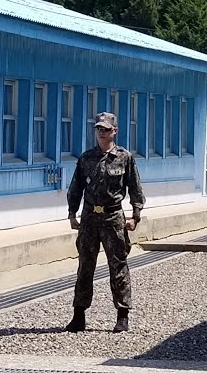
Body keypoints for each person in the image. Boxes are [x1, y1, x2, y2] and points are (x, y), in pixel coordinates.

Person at [64, 112, 145, 333]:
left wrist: (135, 215)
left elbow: (135, 188)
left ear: (114, 131)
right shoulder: (86, 158)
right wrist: (72, 214)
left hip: (113, 218)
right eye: (99, 129)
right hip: (90, 218)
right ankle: (78, 316)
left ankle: (122, 315)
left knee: (118, 266)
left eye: (106, 129)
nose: (102, 132)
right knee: (85, 267)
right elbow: (76, 188)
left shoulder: (124, 157)